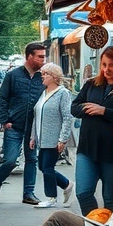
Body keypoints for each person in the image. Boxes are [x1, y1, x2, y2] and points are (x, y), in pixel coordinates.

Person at [71, 46, 113, 217]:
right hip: (88, 148)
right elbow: (74, 107)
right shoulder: (92, 85)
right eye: (103, 65)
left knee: (110, 198)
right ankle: (95, 224)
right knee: (83, 192)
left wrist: (104, 111)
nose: (106, 69)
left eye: (111, 65)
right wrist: (86, 109)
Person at [0, 42, 47, 205]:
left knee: (31, 159)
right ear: (30, 57)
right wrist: (4, 120)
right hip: (13, 125)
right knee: (10, 160)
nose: (44, 59)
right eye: (40, 56)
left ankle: (28, 193)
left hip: (33, 127)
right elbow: (2, 99)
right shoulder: (13, 75)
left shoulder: (43, 76)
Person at [31, 63, 74, 208]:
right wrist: (33, 137)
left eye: (45, 73)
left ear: (55, 77)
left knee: (47, 168)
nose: (42, 76)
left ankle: (51, 198)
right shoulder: (43, 93)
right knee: (43, 167)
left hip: (54, 138)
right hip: (42, 139)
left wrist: (63, 139)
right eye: (42, 73)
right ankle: (67, 185)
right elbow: (36, 115)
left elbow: (68, 117)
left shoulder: (63, 93)